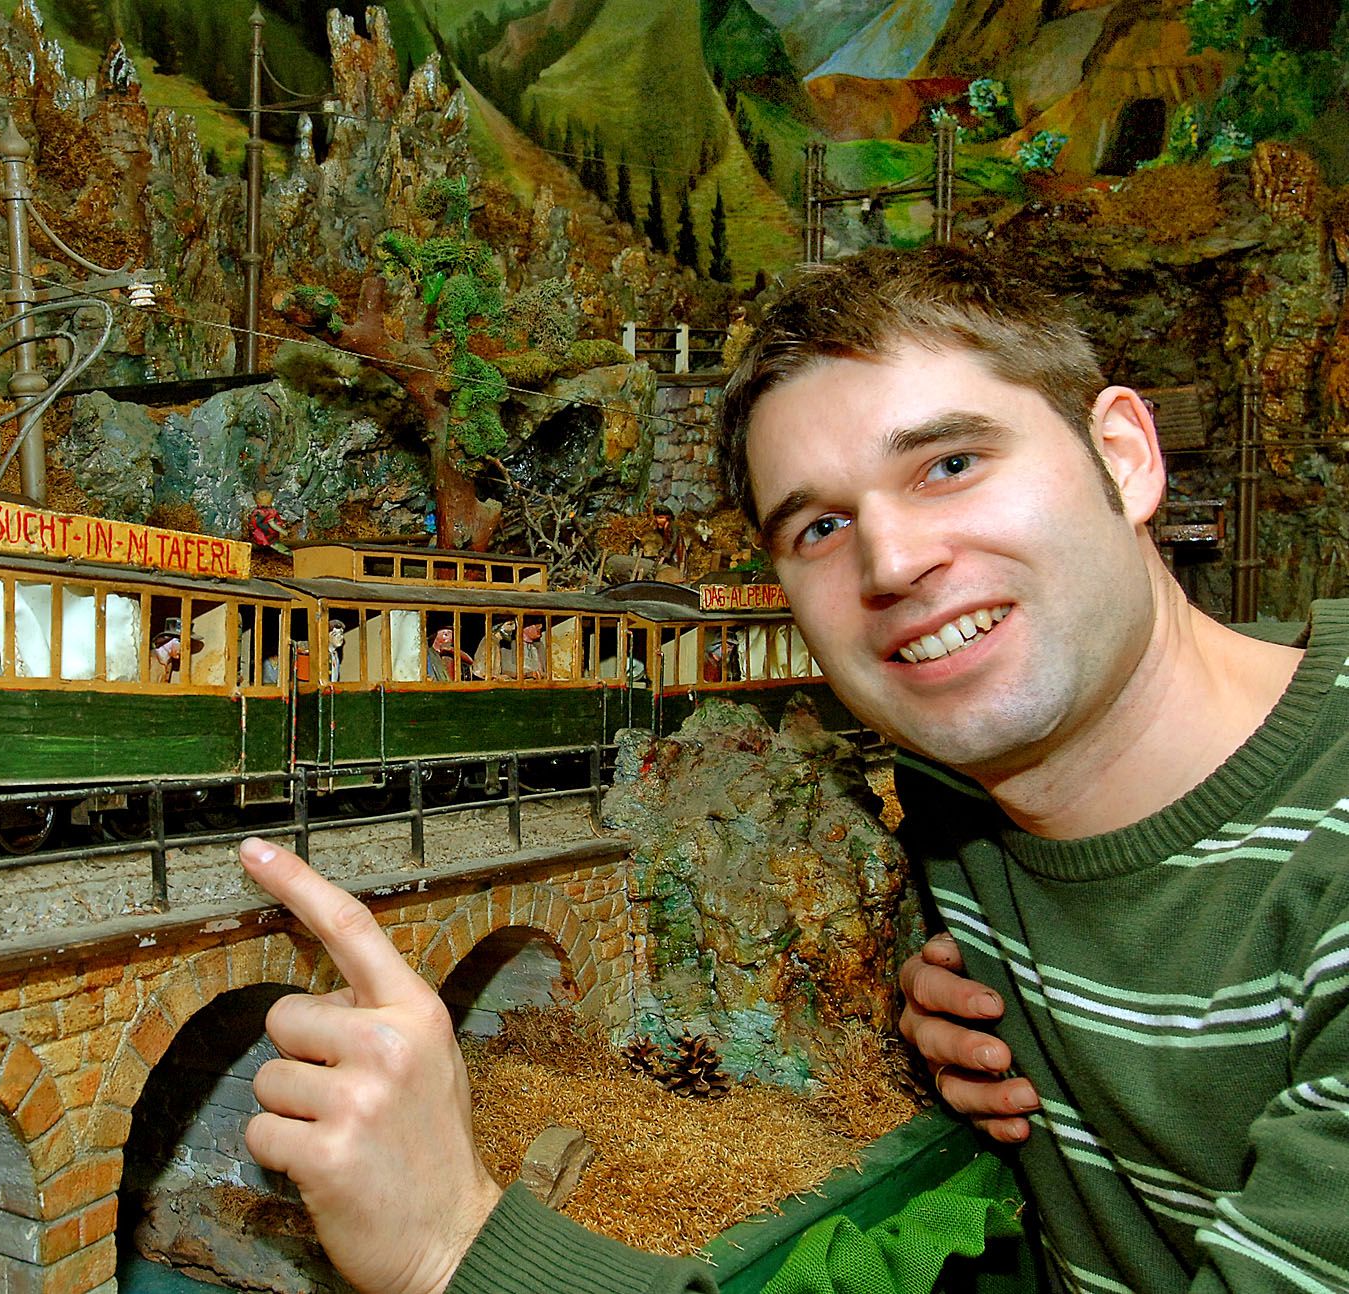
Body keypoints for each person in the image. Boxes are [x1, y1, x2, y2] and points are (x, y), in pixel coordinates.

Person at [236, 244, 1349, 1294]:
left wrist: (453, 1246)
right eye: (817, 528)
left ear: (1123, 455)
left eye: (948, 463)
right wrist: (920, 1010)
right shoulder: (955, 805)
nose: (895, 560)